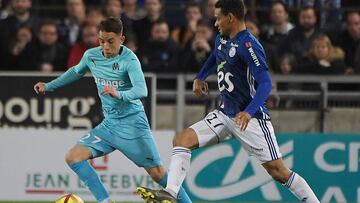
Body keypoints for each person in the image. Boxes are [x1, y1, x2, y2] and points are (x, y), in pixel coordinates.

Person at [136, 1, 320, 203]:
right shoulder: (221, 39)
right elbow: (216, 56)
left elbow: (266, 83)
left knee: (279, 172)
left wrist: (249, 112)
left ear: (230, 18)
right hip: (225, 114)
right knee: (181, 140)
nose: (215, 23)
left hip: (251, 119)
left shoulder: (249, 45)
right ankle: (171, 193)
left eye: (218, 18)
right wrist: (201, 76)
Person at [33, 17, 191, 203]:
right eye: (101, 41)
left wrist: (119, 93)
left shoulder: (130, 59)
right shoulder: (91, 55)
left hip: (133, 124)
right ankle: (105, 201)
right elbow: (76, 72)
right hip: (109, 125)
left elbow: (142, 90)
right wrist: (49, 85)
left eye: (110, 41)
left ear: (121, 40)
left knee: (157, 174)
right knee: (73, 157)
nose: (105, 46)